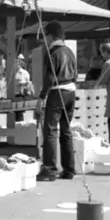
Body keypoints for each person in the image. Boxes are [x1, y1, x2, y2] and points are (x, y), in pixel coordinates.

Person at [38, 20, 77, 182]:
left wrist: (41, 97)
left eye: (45, 35)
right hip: (71, 92)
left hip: (57, 91)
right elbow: (75, 74)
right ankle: (69, 169)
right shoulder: (69, 51)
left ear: (51, 36)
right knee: (66, 131)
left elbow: (49, 78)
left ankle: (50, 168)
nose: (44, 39)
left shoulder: (52, 52)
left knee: (50, 131)